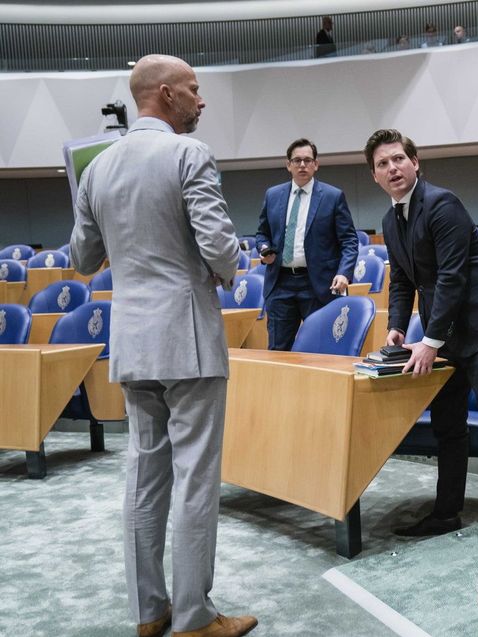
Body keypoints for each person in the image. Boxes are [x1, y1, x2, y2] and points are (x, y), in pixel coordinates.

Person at [69, 54, 257, 637]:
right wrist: (234, 267)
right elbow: (221, 249)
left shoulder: (96, 168)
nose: (202, 101)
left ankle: (150, 613)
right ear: (167, 95)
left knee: (144, 478)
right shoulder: (188, 154)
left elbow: (81, 259)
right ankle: (196, 619)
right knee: (196, 478)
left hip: (131, 342)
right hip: (189, 340)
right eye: (195, 91)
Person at [364, 129, 478, 536]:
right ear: (375, 176)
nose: (392, 167)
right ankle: (446, 512)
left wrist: (430, 342)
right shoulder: (389, 218)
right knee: (447, 422)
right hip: (448, 333)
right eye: (383, 164)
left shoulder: (441, 204)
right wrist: (397, 327)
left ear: (415, 163)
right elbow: (401, 279)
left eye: (399, 158)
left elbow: (453, 278)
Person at [255, 138, 360, 351]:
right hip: (280, 283)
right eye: (297, 160)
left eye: (307, 160)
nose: (302, 165)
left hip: (318, 285)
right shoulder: (273, 195)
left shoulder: (332, 196)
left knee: (321, 350)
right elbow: (261, 233)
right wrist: (264, 249)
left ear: (316, 164)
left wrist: (344, 273)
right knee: (278, 351)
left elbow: (349, 240)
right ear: (288, 165)